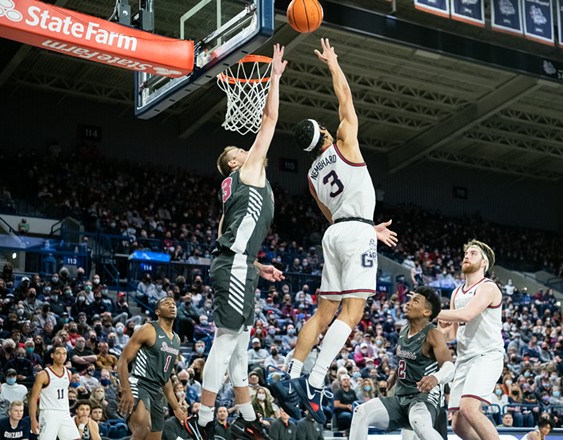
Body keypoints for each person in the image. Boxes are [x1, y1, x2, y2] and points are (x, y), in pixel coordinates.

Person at [280, 38, 397, 424]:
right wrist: (332, 62)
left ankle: (291, 372)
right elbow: (344, 95)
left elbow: (332, 215)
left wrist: (365, 225)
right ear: (326, 135)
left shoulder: (312, 177)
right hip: (355, 232)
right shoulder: (346, 141)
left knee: (323, 311)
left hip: (334, 235)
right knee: (354, 310)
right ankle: (314, 381)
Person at [190, 44, 288, 440]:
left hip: (238, 262)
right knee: (227, 340)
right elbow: (269, 119)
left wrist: (253, 263)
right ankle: (203, 420)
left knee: (241, 346)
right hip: (233, 265)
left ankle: (248, 419)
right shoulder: (247, 171)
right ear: (234, 162)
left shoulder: (235, 186)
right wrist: (275, 78)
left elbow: (222, 233)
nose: (248, 151)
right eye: (240, 151)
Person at [349, 287, 454, 440]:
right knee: (361, 412)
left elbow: (450, 367)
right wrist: (394, 375)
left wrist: (436, 378)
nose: (408, 303)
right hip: (400, 398)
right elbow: (407, 360)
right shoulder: (404, 330)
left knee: (418, 423)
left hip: (423, 398)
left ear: (426, 312)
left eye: (415, 301)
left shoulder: (433, 334)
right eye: (410, 300)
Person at [436, 240, 503, 440]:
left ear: (484, 263)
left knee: (470, 409)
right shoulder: (456, 292)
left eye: (473, 253)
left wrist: (432, 311)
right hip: (465, 359)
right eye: (466, 253)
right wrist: (439, 330)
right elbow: (453, 334)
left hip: (486, 355)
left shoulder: (488, 287)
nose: (467, 256)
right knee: (458, 425)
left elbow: (466, 314)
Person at [117, 297, 186, 440]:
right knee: (143, 426)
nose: (172, 306)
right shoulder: (148, 329)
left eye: (173, 304)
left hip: (157, 390)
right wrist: (126, 390)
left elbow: (165, 378)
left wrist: (176, 407)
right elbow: (123, 360)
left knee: (154, 437)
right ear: (157, 311)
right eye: (166, 304)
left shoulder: (177, 340)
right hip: (139, 383)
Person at [28, 346, 79, 440]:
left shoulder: (69, 373)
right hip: (49, 413)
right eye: (58, 353)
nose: (61, 356)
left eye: (64, 354)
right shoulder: (43, 374)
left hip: (65, 412)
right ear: (52, 355)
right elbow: (33, 398)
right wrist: (33, 419)